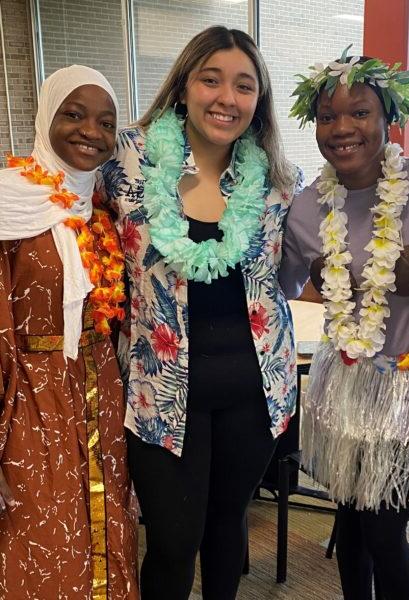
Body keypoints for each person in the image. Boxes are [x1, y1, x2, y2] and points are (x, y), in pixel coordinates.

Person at [100, 25, 299, 600]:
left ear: (257, 101)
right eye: (210, 79)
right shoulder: (126, 162)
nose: (226, 98)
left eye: (243, 85)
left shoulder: (278, 182)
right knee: (172, 541)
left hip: (255, 391)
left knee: (227, 530)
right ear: (183, 85)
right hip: (159, 393)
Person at [280, 48, 409, 600]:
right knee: (352, 526)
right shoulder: (307, 206)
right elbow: (287, 286)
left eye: (359, 112)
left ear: (390, 119)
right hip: (342, 383)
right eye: (327, 116)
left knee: (386, 532)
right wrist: (317, 276)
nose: (342, 129)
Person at [0, 66, 138, 598]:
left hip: (98, 391)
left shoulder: (98, 209)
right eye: (74, 115)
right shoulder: (10, 204)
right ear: (45, 118)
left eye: (106, 122)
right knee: (38, 537)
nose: (91, 132)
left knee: (102, 526)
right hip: (27, 399)